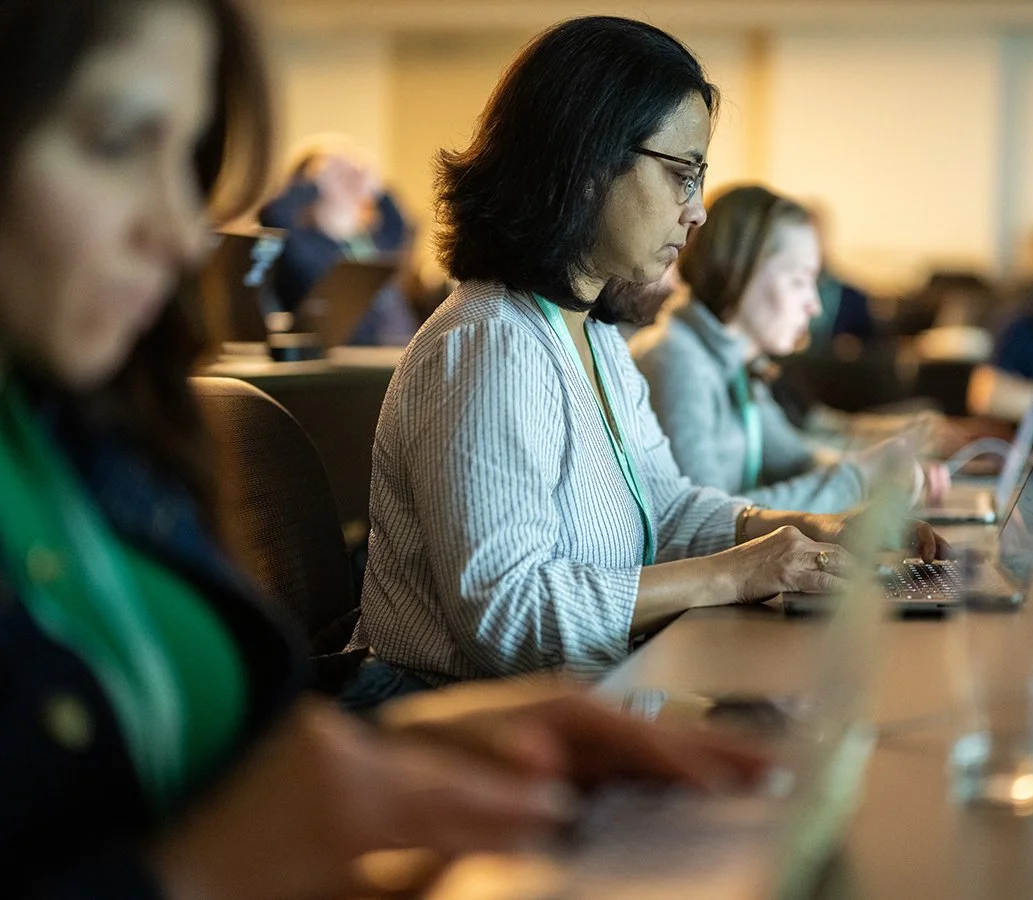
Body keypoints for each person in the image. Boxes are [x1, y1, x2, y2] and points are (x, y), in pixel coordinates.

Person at [0, 2, 767, 895]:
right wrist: (219, 862)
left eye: (190, 161)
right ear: (584, 161)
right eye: (117, 139)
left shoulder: (99, 436)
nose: (181, 233)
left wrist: (384, 756)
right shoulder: (489, 341)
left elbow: (174, 767)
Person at [350, 17, 947, 696]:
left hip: (579, 708)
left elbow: (662, 511)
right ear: (585, 161)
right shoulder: (489, 343)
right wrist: (736, 572)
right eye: (681, 175)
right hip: (459, 735)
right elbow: (506, 617)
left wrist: (806, 528)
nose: (695, 212)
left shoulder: (595, 335)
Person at [629, 184, 948, 513]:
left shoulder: (730, 362)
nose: (814, 307)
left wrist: (882, 468)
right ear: (739, 270)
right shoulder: (677, 361)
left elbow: (795, 460)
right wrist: (858, 478)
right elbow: (708, 518)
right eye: (799, 280)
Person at [258, 137, 419, 345]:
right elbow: (275, 213)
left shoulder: (369, 240)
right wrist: (315, 182)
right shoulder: (300, 243)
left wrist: (377, 187)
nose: (343, 181)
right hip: (345, 358)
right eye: (334, 173)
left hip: (396, 351)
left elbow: (403, 227)